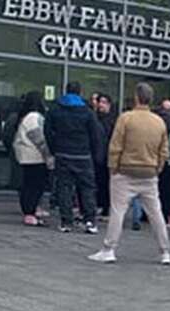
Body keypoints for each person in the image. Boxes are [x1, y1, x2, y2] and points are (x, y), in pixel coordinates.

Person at [88, 83, 170, 265]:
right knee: (156, 213)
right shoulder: (159, 122)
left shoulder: (126, 119)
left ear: (136, 97)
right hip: (149, 173)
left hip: (125, 171)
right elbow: (164, 150)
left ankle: (109, 249)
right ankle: (165, 251)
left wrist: (113, 168)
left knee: (117, 211)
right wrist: (157, 167)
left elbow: (115, 146)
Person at [43, 82, 101, 234]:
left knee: (64, 188)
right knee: (87, 188)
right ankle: (89, 221)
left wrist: (54, 149)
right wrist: (95, 154)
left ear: (66, 91)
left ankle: (66, 221)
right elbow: (95, 135)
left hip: (63, 153)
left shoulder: (55, 110)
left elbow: (48, 131)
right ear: (80, 92)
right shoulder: (88, 112)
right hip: (83, 155)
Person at [13, 92, 53, 226]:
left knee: (29, 185)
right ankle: (30, 212)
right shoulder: (34, 117)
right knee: (35, 186)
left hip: (26, 156)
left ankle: (29, 212)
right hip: (35, 156)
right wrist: (48, 154)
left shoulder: (25, 117)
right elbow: (37, 137)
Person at [95, 94, 117, 221]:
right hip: (96, 156)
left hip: (107, 157)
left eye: (104, 102)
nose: (101, 105)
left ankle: (106, 208)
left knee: (107, 184)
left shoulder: (113, 120)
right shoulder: (94, 118)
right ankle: (99, 205)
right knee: (97, 182)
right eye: (100, 102)